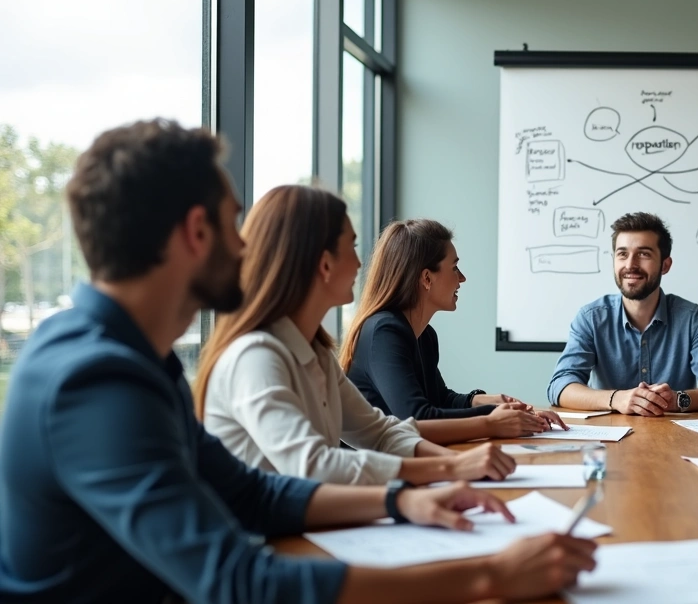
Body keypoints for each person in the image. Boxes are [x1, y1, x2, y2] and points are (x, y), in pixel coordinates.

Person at [0, 120, 595, 603]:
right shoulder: (96, 381)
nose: (245, 246)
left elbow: (252, 494)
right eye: (235, 224)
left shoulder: (135, 361)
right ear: (195, 233)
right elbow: (237, 582)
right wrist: (488, 576)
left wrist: (404, 499)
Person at [196, 186, 546, 485]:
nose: (361, 264)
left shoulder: (314, 352)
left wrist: (455, 464)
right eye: (351, 247)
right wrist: (450, 465)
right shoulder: (257, 357)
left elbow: (380, 432)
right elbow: (314, 465)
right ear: (324, 264)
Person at [341, 219, 565, 437]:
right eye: (455, 268)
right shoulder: (384, 332)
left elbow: (440, 399)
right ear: (427, 278)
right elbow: (416, 418)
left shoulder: (424, 335)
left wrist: (494, 404)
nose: (462, 278)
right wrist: (493, 418)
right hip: (368, 472)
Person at [547, 212, 698, 416]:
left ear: (665, 265)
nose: (630, 265)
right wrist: (616, 398)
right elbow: (561, 385)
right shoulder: (591, 318)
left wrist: (676, 399)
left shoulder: (691, 318)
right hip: (606, 440)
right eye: (622, 254)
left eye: (643, 254)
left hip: (674, 439)